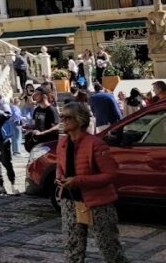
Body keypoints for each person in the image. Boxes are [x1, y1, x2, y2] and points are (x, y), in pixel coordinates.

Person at [56, 102, 131, 263]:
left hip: (98, 203)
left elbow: (111, 174)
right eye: (62, 116)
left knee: (108, 246)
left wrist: (79, 181)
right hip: (70, 201)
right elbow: (60, 165)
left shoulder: (95, 143)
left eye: (68, 117)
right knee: (72, 246)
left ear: (80, 120)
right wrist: (60, 176)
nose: (63, 120)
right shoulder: (63, 143)